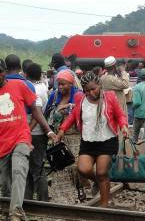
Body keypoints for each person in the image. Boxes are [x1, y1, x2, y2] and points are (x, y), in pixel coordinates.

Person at [0, 59, 55, 221]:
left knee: (19, 171)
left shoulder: (20, 86)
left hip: (21, 139)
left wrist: (48, 131)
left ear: (5, 71)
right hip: (1, 144)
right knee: (4, 186)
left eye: (0, 71)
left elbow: (35, 110)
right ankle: (9, 218)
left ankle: (16, 214)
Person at [55, 72, 129, 207]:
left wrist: (124, 126)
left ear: (99, 85)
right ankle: (101, 182)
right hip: (88, 141)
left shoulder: (110, 97)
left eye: (93, 89)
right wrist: (62, 130)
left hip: (107, 140)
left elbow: (120, 114)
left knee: (102, 172)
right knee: (83, 169)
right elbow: (72, 116)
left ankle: (104, 205)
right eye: (87, 90)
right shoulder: (81, 99)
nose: (91, 92)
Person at [24, 63, 50, 202]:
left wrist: (27, 130)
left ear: (26, 74)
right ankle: (31, 198)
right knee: (36, 167)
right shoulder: (43, 88)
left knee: (35, 169)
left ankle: (42, 200)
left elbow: (36, 113)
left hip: (34, 132)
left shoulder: (32, 89)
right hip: (40, 133)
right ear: (40, 74)